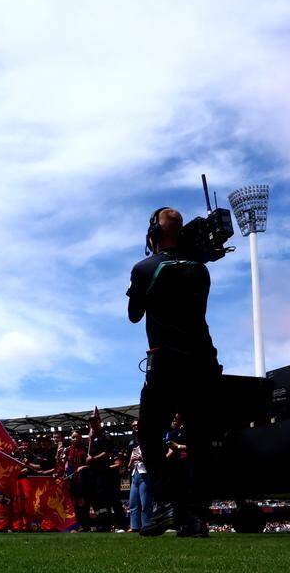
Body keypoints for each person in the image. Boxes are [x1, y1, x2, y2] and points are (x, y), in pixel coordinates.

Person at [127, 207, 222, 538]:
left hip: (167, 364)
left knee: (149, 435)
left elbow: (134, 315)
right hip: (203, 362)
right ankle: (192, 517)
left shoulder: (144, 268)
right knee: (200, 440)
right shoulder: (201, 270)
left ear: (154, 232)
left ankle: (167, 502)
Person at [86, 410, 114, 532]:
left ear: (99, 422)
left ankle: (105, 524)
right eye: (90, 422)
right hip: (92, 472)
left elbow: (107, 452)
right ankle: (99, 522)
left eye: (94, 421)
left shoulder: (105, 435)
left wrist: (93, 458)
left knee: (103, 498)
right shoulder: (92, 437)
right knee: (95, 498)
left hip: (102, 471)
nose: (92, 424)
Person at [127, 419, 153, 532]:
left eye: (136, 425)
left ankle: (147, 526)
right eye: (133, 426)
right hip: (135, 474)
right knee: (133, 503)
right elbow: (129, 466)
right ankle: (135, 527)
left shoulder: (148, 443)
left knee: (145, 502)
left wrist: (141, 458)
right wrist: (132, 460)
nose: (135, 427)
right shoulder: (132, 444)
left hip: (145, 473)